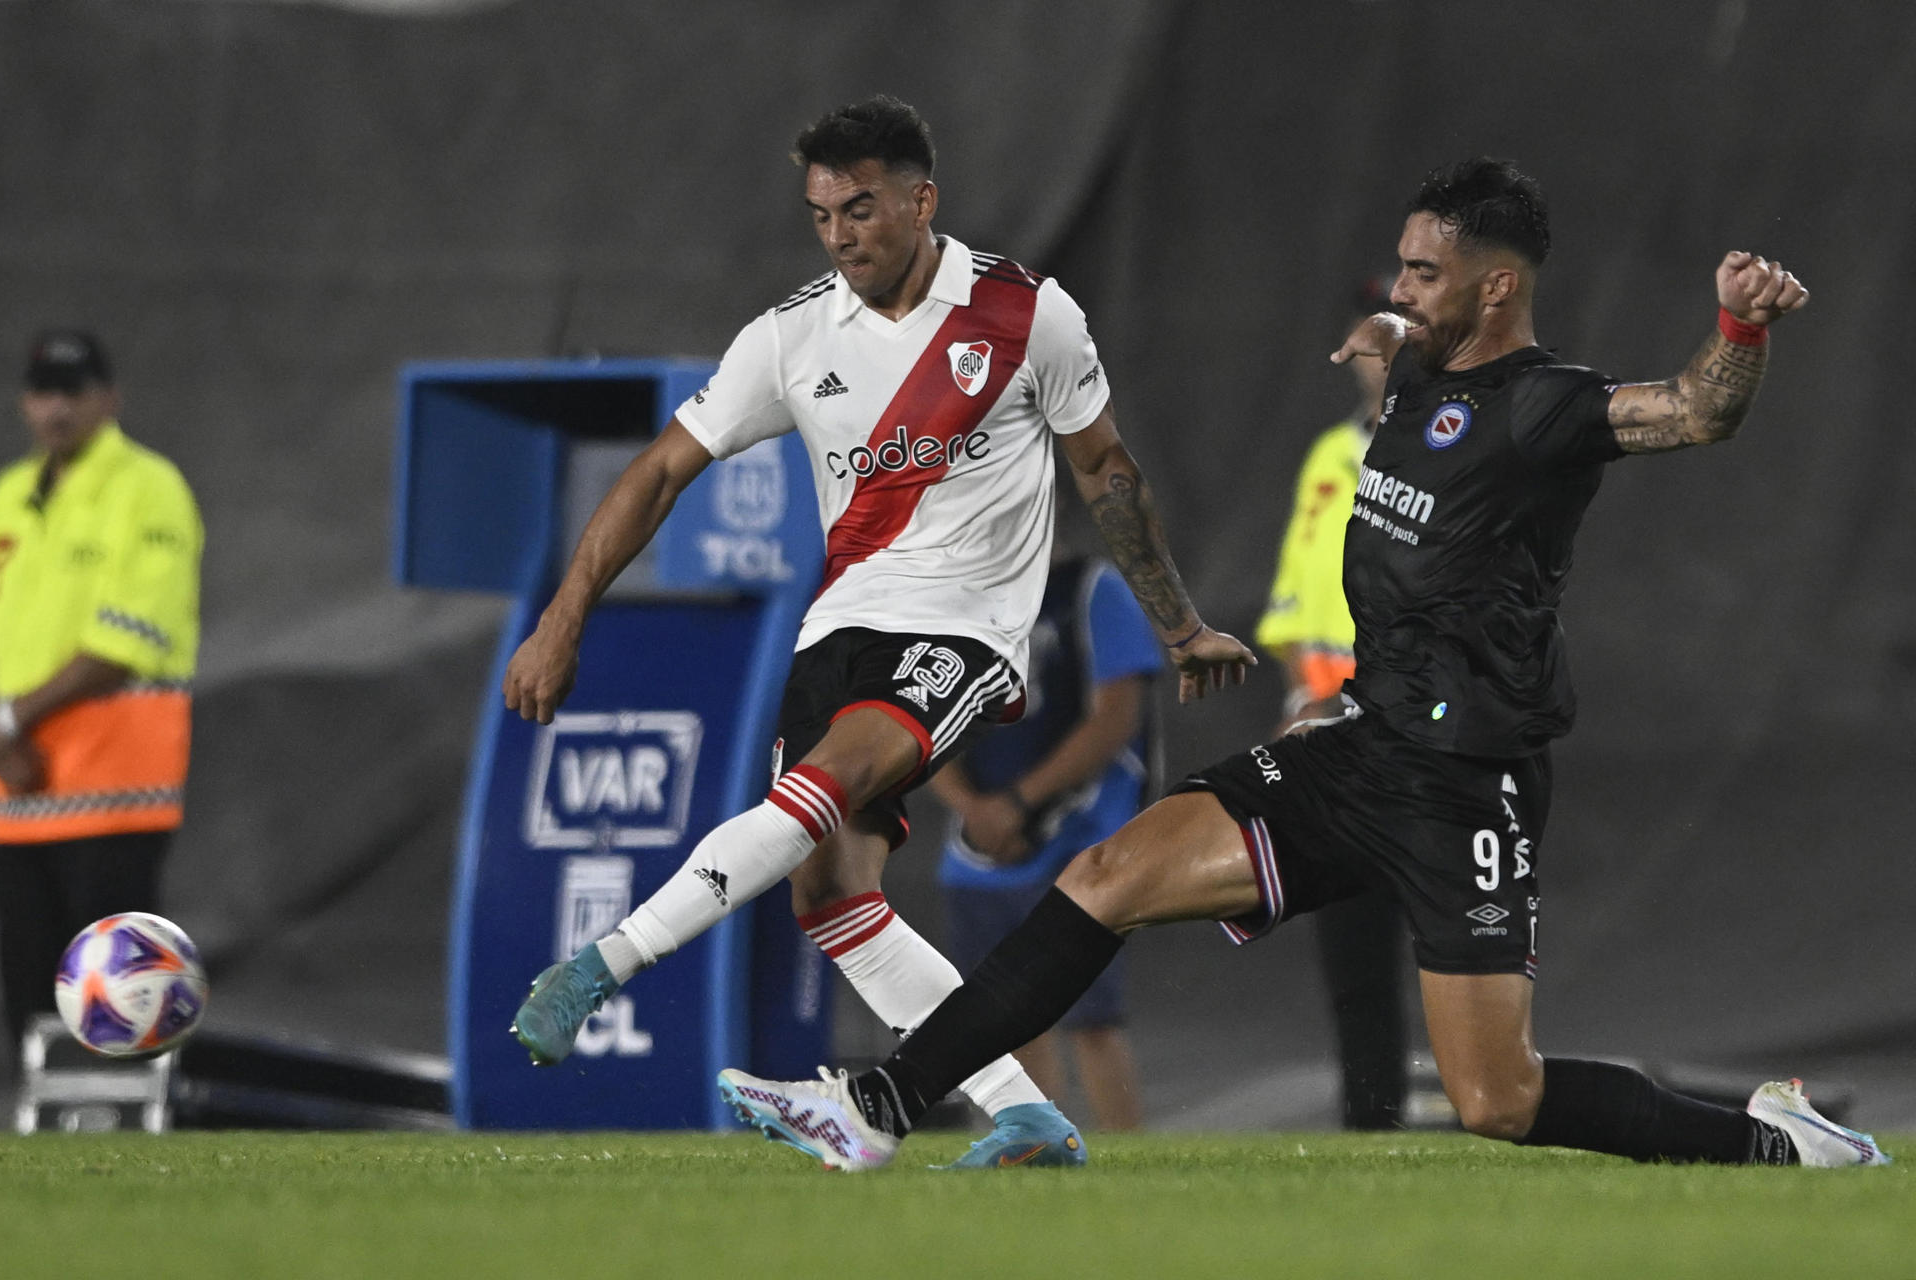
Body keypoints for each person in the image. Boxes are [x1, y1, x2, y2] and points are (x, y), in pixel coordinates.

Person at [716, 158, 1893, 1172]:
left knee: (1500, 1099)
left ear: (1496, 284)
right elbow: (1399, 351)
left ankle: (1776, 1141)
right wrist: (1387, 330)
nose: (1401, 289)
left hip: (1465, 781)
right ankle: (880, 1105)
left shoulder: (1548, 406)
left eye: (1424, 274)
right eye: (1400, 267)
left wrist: (1740, 325)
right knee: (1105, 878)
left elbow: (1694, 410)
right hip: (1361, 741)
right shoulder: (1421, 368)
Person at [502, 96, 1252, 1168]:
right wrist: (563, 615)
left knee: (814, 792)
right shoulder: (792, 336)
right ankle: (1025, 1111)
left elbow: (1106, 470)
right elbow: (663, 466)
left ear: (920, 199)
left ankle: (602, 964)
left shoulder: (1026, 314)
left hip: (965, 636)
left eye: (862, 208)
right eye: (823, 216)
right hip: (841, 629)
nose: (843, 235)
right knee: (831, 893)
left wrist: (1179, 625)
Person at [0, 330, 203, 1053]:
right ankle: (44, 1148)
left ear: (108, 399)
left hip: (115, 794)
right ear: (26, 402)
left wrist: (7, 720)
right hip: (15, 801)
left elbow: (128, 641)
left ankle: (125, 1132)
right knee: (28, 997)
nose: (58, 409)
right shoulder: (7, 500)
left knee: (125, 992)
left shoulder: (149, 489)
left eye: (74, 392)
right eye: (45, 392)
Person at [931, 541, 1160, 1134]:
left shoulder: (1090, 589)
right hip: (979, 853)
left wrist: (1016, 804)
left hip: (1082, 845)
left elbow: (1117, 715)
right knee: (1004, 1023)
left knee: (1094, 1021)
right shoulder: (951, 596)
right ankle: (1033, 1157)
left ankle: (1131, 1169)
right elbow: (919, 715)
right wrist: (971, 808)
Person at [1255, 292, 1409, 1130]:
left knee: (1462, 940)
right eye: (1369, 342)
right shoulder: (1330, 457)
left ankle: (1506, 1097)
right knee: (1353, 941)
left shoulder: (1448, 450)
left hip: (1427, 729)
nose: (1377, 357)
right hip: (1336, 739)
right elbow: (1292, 604)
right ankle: (1374, 1127)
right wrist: (1302, 701)